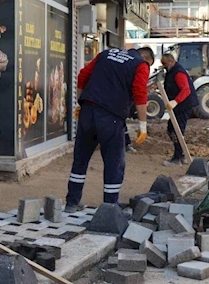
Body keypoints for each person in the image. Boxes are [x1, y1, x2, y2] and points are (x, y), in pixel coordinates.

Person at [65, 47, 154, 212]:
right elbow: (140, 93)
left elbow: (83, 75)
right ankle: (110, 207)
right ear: (146, 58)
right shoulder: (140, 65)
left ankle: (71, 202)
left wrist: (81, 103)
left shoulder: (106, 54)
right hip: (111, 117)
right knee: (114, 162)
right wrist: (143, 125)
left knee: (80, 159)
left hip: (88, 112)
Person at [160, 53, 199, 166]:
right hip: (180, 105)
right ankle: (181, 155)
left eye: (165, 64)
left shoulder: (178, 73)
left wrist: (175, 101)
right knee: (172, 129)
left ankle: (178, 158)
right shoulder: (172, 71)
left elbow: (186, 90)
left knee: (176, 130)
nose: (164, 67)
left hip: (184, 105)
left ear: (171, 61)